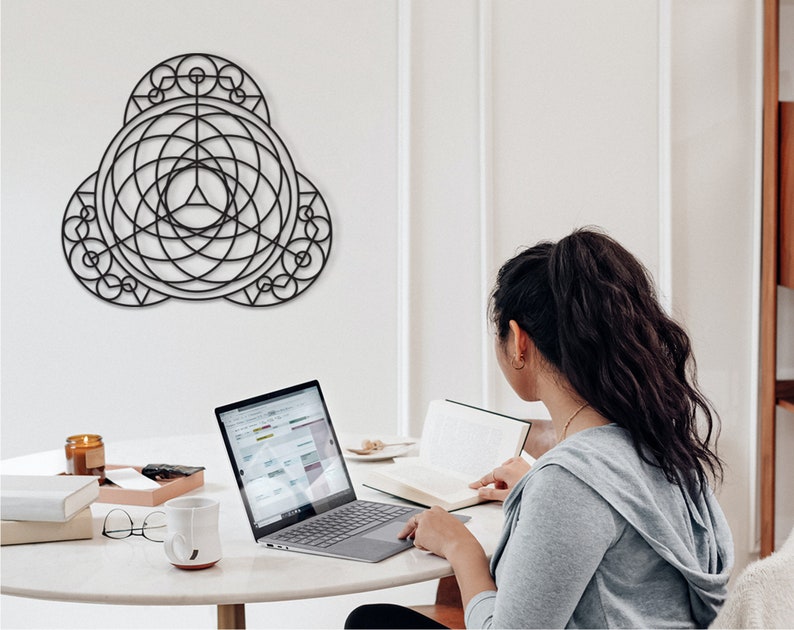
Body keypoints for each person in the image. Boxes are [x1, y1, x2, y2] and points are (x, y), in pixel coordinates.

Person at [345, 228, 734, 629]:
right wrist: (536, 492)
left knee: (370, 622)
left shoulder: (569, 485)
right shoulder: (659, 441)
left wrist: (460, 547)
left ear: (518, 342)